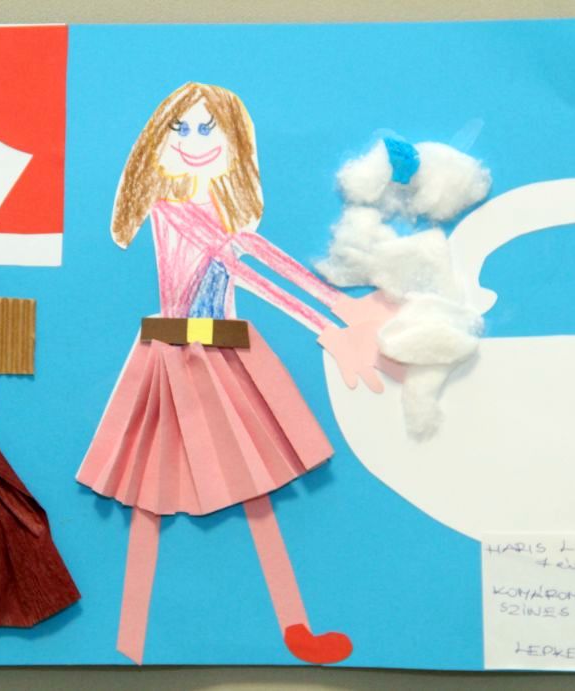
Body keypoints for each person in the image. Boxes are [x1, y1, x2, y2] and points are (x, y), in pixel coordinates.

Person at [76, 82, 391, 665]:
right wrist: (328, 322)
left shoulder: (221, 216)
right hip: (176, 355)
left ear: (234, 145)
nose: (195, 141)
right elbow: (242, 262)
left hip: (222, 352)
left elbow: (255, 254)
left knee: (252, 483)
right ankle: (129, 637)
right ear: (157, 143)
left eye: (209, 129)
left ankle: (290, 628)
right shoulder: (172, 212)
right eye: (181, 129)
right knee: (151, 491)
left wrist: (341, 310)